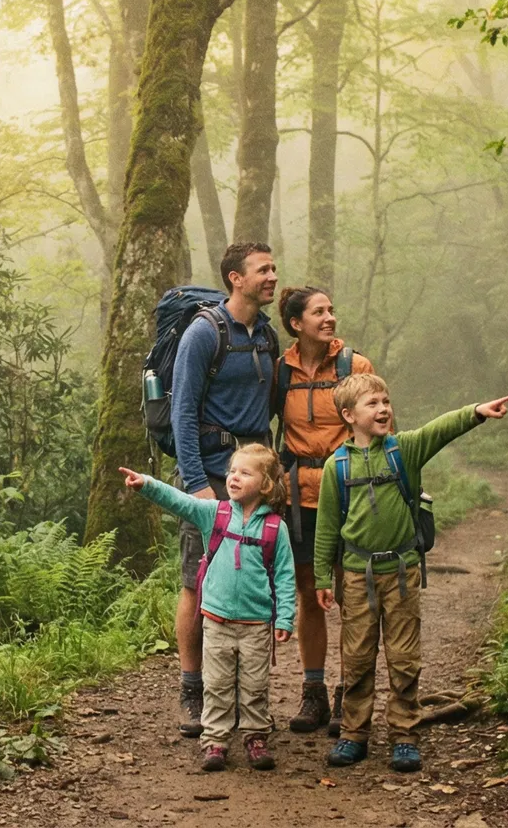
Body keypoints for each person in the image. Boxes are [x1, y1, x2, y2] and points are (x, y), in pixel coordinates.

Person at [313, 373, 508, 773]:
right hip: (356, 576)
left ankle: (405, 735)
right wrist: (321, 577)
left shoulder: (404, 449)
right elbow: (326, 527)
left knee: (404, 657)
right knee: (356, 657)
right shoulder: (335, 467)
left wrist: (474, 413)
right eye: (373, 403)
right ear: (349, 415)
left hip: (401, 571)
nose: (384, 409)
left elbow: (440, 429)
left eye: (386, 401)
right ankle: (354, 734)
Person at [121, 445, 296, 772]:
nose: (234, 477)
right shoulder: (214, 514)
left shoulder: (275, 528)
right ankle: (215, 740)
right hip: (215, 620)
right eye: (232, 471)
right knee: (215, 683)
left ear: (267, 484)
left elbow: (285, 575)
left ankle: (255, 736)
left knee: (254, 685)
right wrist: (147, 483)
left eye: (245, 473)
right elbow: (180, 501)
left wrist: (284, 616)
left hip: (256, 624)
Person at [169, 241, 280, 737]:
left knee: (251, 578)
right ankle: (193, 691)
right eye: (263, 270)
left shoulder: (267, 336)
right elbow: (182, 412)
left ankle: (240, 695)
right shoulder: (203, 333)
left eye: (273, 268)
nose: (273, 276)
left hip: (257, 477)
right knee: (198, 581)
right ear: (236, 278)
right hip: (213, 478)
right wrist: (197, 484)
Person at [271, 287, 373, 734]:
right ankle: (313, 694)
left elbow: (379, 424)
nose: (329, 317)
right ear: (297, 323)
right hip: (299, 498)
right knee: (309, 593)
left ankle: (350, 694)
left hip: (348, 492)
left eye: (331, 309)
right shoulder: (281, 372)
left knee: (352, 592)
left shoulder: (355, 366)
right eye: (319, 312)